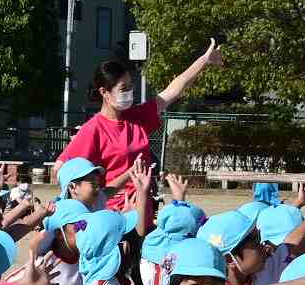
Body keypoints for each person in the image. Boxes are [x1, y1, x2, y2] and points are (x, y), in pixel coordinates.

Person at [58, 41, 220, 203]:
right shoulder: (93, 129)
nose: (129, 92)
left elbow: (174, 90)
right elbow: (60, 169)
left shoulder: (136, 116)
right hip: (116, 214)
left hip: (145, 207)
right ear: (104, 92)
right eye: (123, 89)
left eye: (130, 87)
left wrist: (204, 61)